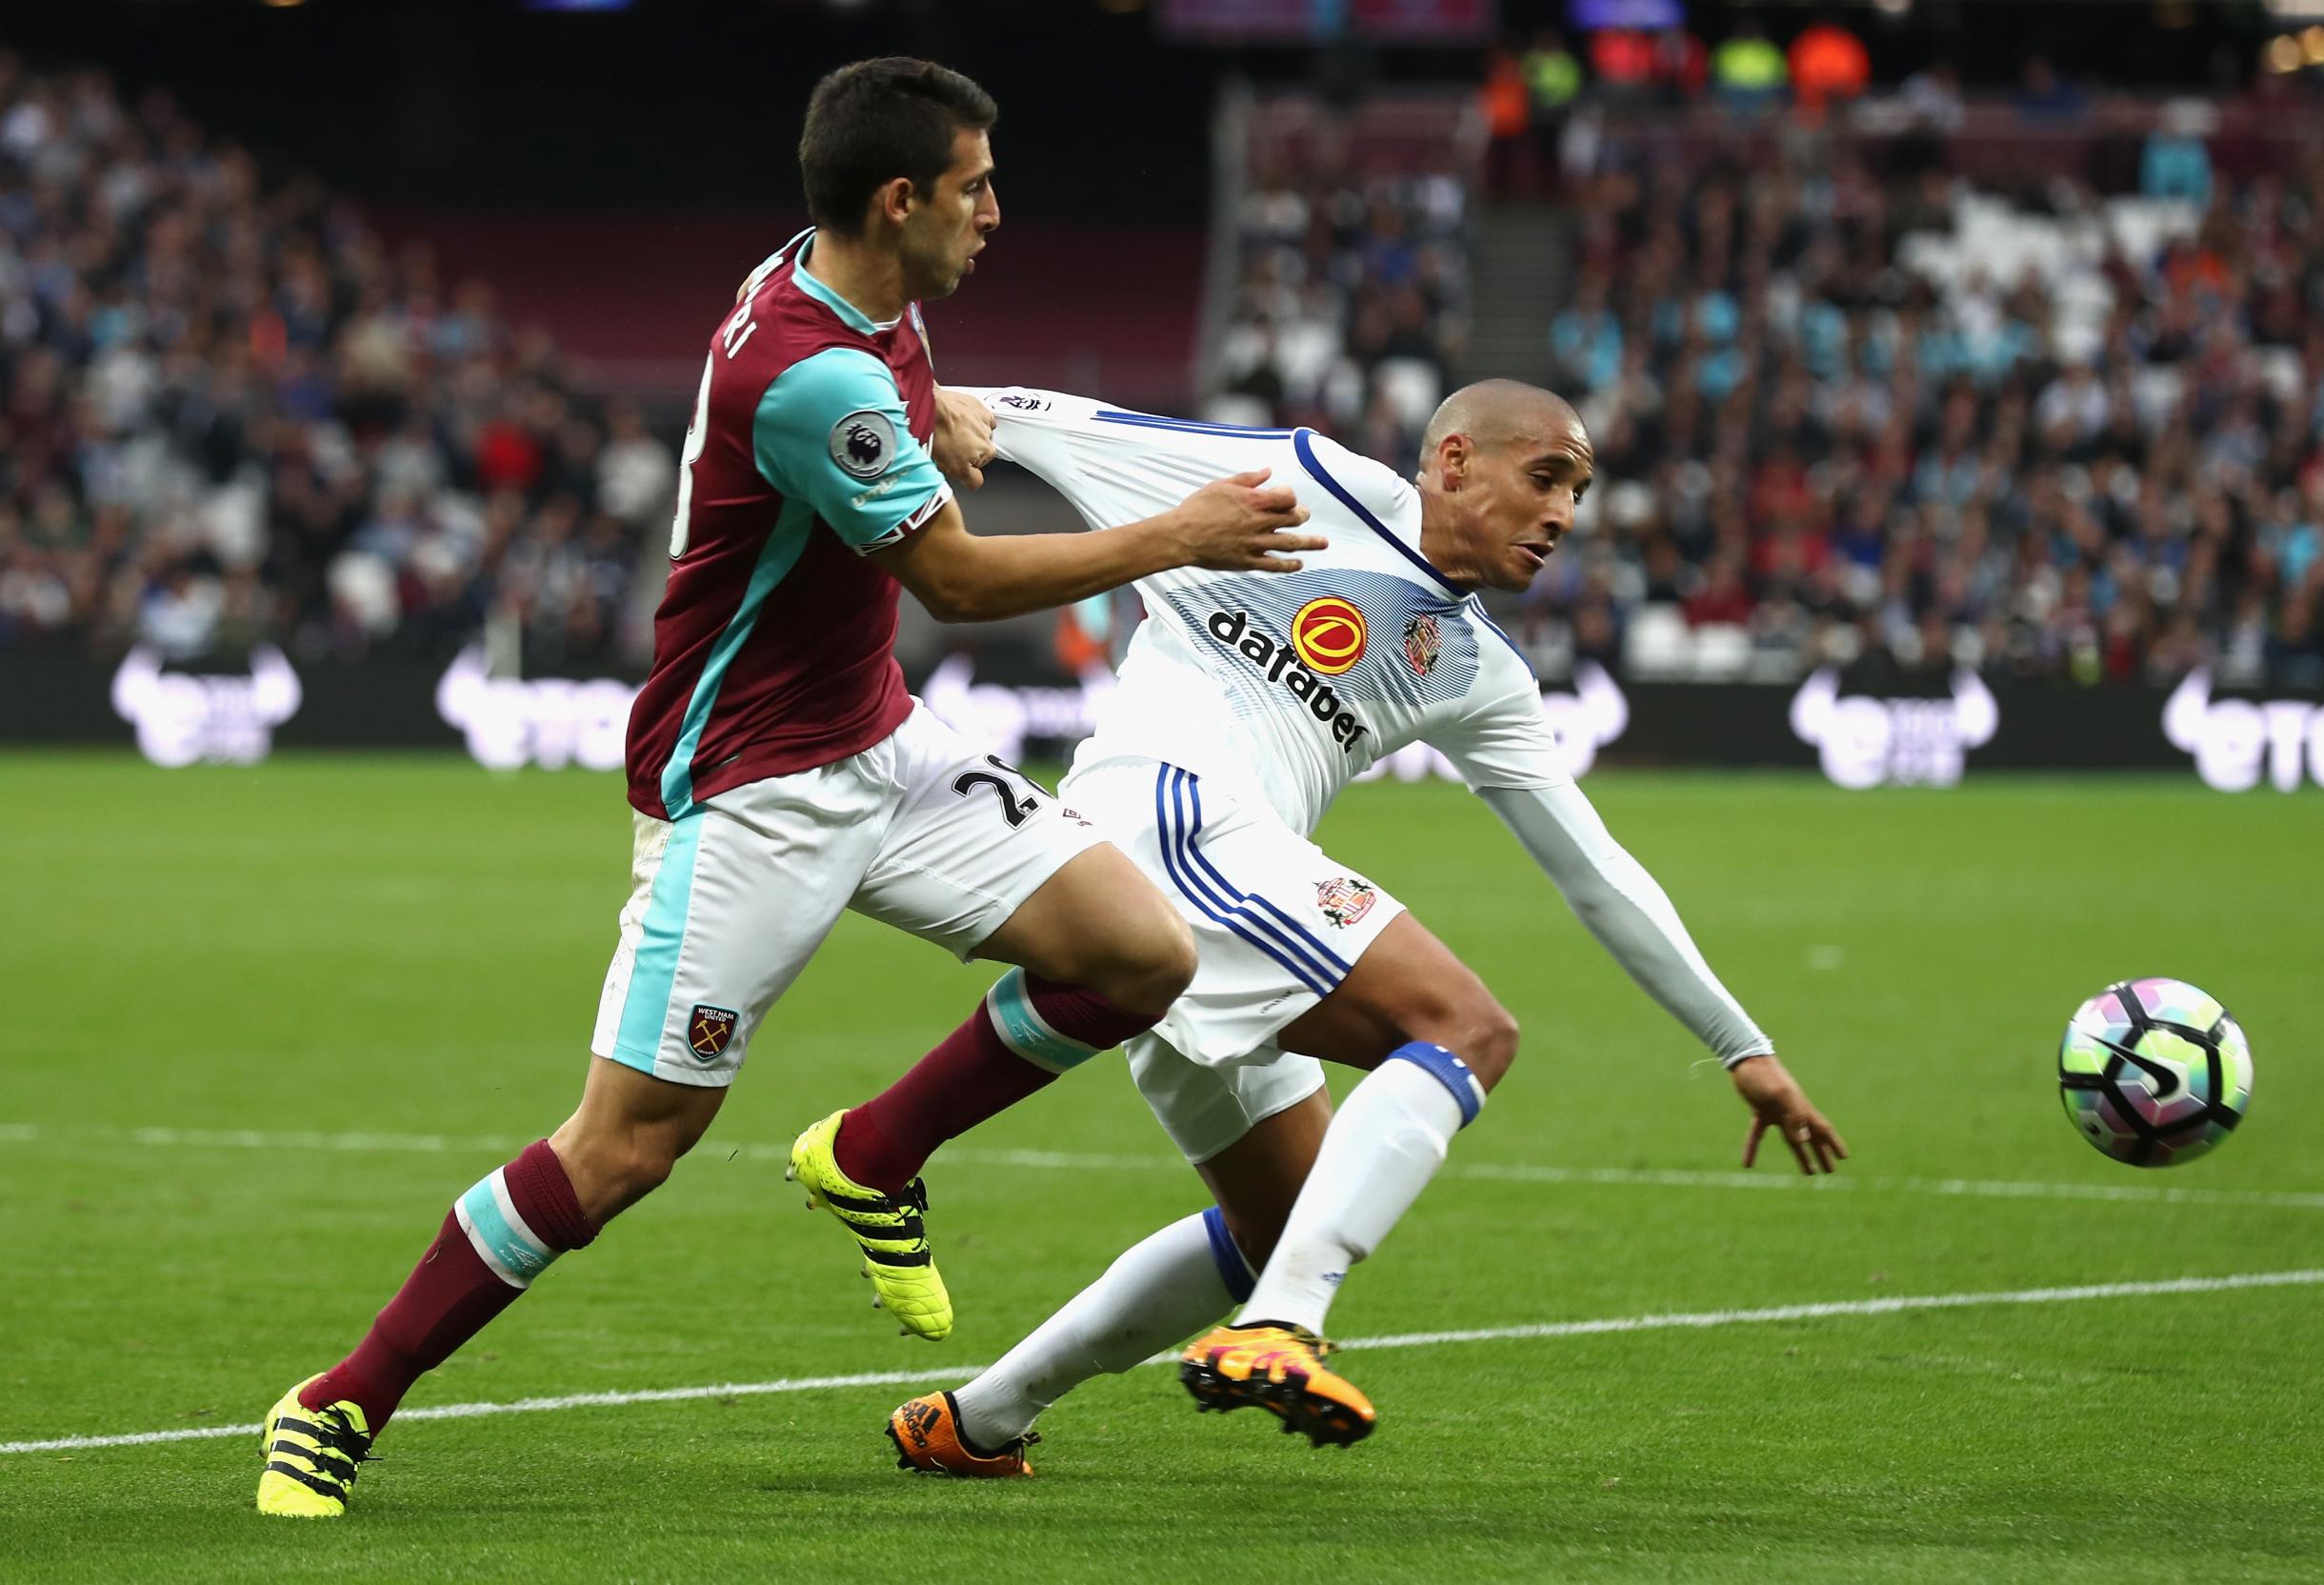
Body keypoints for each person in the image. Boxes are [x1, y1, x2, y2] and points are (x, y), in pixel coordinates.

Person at [254, 57, 1320, 1519]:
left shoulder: (855, 287)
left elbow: (905, 395)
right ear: (900, 200)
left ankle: (873, 1153)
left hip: (879, 737)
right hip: (750, 785)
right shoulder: (808, 373)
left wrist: (938, 416)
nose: (998, 211)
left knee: (1137, 952)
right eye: (975, 187)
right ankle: (337, 1402)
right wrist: (1179, 536)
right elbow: (949, 571)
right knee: (625, 1148)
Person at [881, 381, 1845, 1475]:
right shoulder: (1310, 483)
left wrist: (1742, 1044)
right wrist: (947, 398)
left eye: (1576, 494)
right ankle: (1283, 1329)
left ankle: (976, 1421)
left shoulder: (1480, 671)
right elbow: (1082, 427)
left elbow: (1597, 874)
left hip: (1203, 894)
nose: (1563, 516)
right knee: (1464, 1027)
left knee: (1276, 1221)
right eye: (1543, 478)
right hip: (1167, 824)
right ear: (1451, 462)